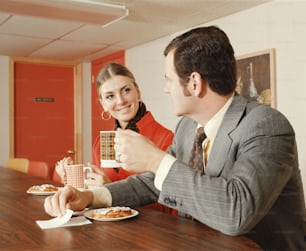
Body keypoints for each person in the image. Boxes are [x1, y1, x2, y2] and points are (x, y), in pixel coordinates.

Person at [44, 26, 306, 250]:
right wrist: (91, 197)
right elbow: (153, 184)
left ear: (194, 83)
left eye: (168, 80)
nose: (165, 88)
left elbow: (236, 213)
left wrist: (157, 161)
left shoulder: (266, 124)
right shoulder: (186, 127)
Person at [55, 62, 175, 214]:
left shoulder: (166, 138)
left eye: (126, 90)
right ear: (103, 104)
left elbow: (170, 206)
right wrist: (70, 178)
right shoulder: (99, 144)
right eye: (110, 96)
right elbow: (91, 195)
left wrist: (110, 190)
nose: (120, 101)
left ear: (137, 91)